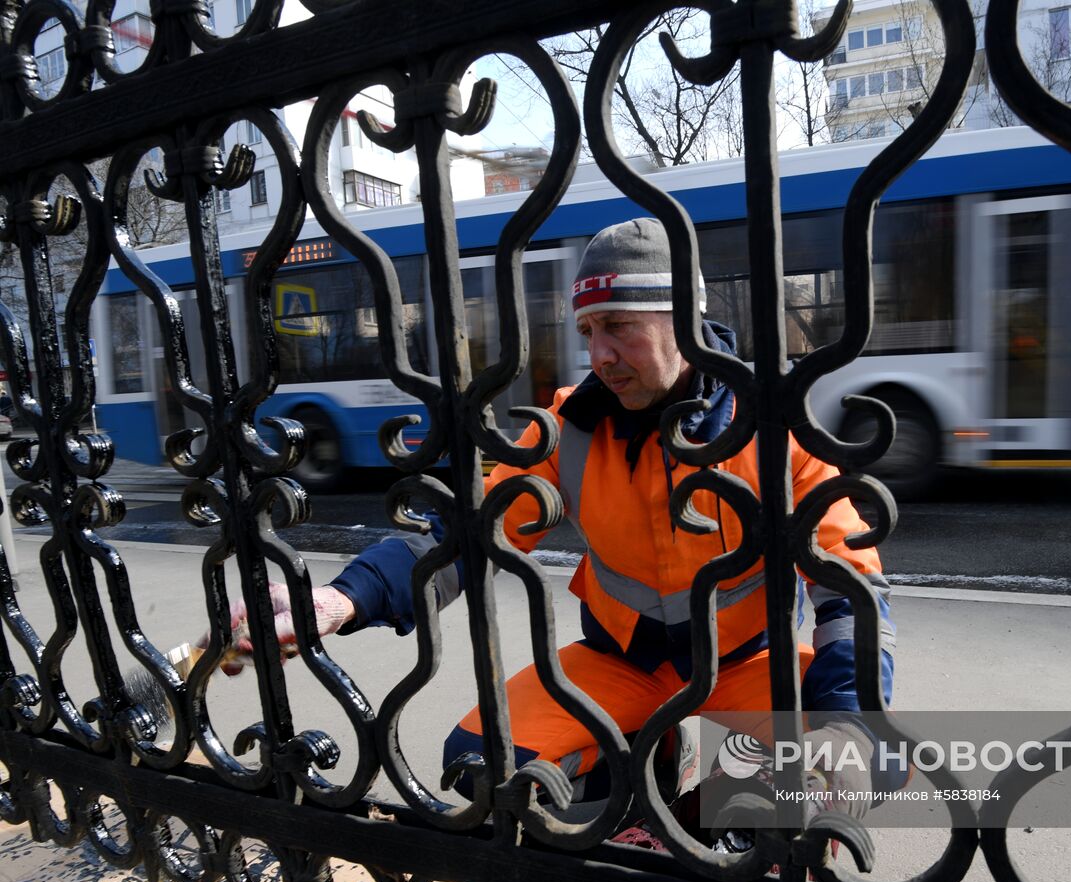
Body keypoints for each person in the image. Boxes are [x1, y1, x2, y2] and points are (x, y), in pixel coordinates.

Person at [216, 217, 896, 814]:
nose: (600, 355)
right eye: (589, 330)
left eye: (620, 327)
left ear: (685, 320)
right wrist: (342, 599)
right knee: (487, 762)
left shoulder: (771, 427)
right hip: (620, 662)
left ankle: (708, 818)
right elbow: (466, 536)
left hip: (749, 665)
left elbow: (848, 591)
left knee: (815, 791)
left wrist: (847, 723)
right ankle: (638, 798)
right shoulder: (570, 427)